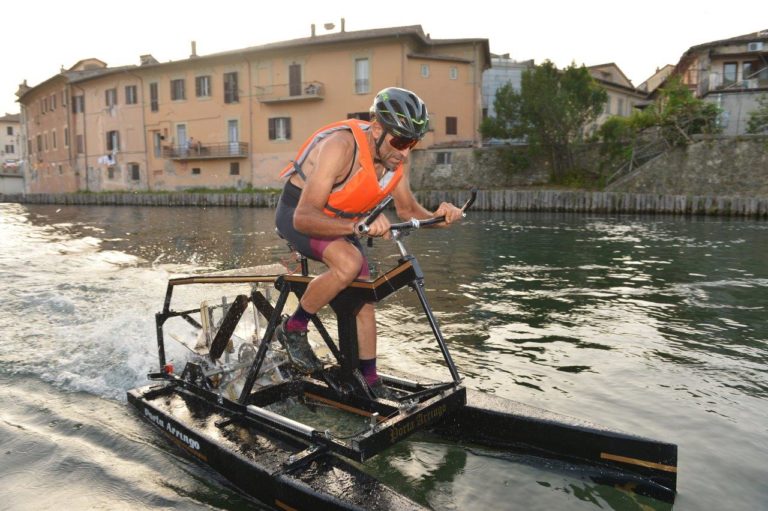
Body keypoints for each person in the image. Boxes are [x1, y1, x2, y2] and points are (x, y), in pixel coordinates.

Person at [274, 87, 464, 394]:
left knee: (364, 299)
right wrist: (359, 225)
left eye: (412, 143)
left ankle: (370, 381)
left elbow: (408, 211)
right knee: (349, 263)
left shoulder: (394, 160)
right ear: (376, 128)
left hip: (345, 223)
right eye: (400, 141)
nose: (405, 152)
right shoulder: (340, 148)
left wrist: (440, 217)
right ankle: (293, 327)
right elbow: (303, 217)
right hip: (299, 214)